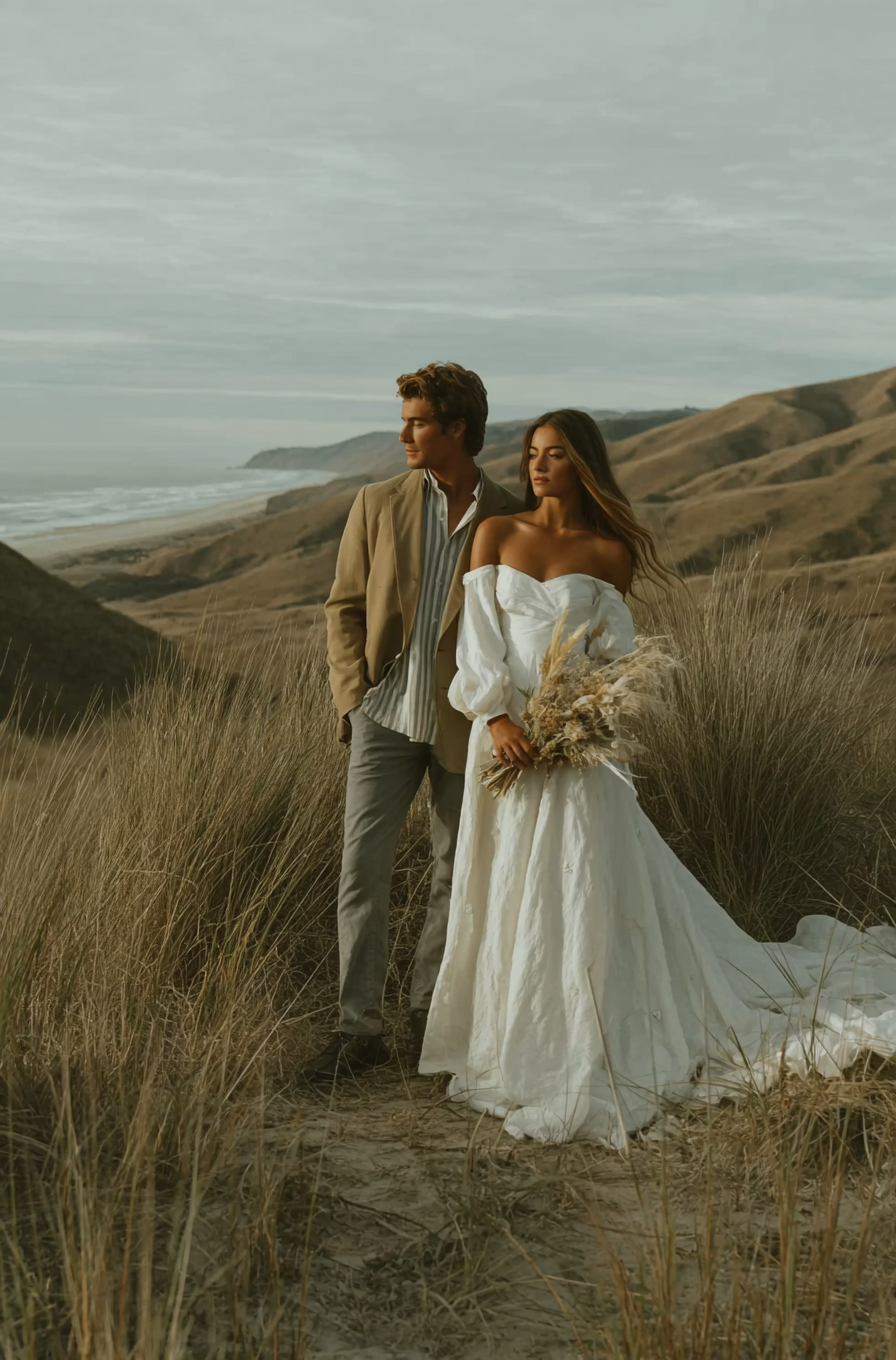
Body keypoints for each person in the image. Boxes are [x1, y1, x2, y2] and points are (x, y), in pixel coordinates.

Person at [419, 408, 896, 1147]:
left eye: (554, 455)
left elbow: (616, 665)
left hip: (578, 752)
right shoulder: (497, 535)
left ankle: (587, 1035)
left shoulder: (607, 553)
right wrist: (502, 722)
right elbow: (476, 655)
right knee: (507, 887)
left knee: (580, 888)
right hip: (505, 744)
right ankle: (508, 1036)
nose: (537, 467)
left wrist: (580, 722)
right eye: (532, 454)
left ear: (583, 465)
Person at [301, 362, 523, 1081]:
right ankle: (356, 1029)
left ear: (457, 428)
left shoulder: (508, 516)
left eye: (418, 421)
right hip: (384, 718)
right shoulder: (377, 502)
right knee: (361, 872)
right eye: (405, 420)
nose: (404, 434)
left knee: (455, 874)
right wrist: (351, 698)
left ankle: (432, 1020)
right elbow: (343, 607)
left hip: (468, 725)